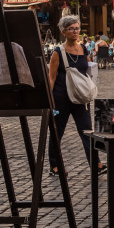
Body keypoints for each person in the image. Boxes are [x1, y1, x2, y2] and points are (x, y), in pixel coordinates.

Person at [48, 15, 103, 176]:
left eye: (77, 28)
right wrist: (49, 100)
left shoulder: (83, 49)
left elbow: (86, 69)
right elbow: (51, 77)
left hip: (80, 97)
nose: (75, 31)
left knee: (87, 131)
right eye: (71, 28)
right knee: (57, 132)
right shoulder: (58, 52)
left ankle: (96, 164)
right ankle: (55, 165)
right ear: (63, 31)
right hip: (61, 98)